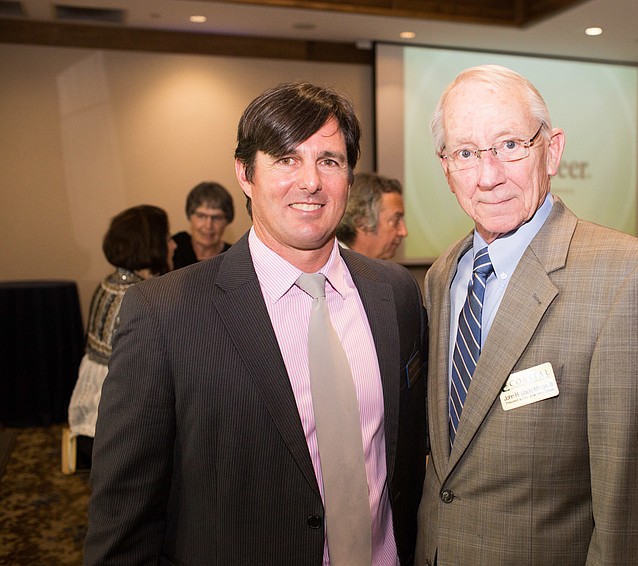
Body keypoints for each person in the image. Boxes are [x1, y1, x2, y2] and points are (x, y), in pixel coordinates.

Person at [84, 83, 428, 565]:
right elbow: (124, 524)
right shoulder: (162, 314)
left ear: (349, 178)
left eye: (329, 161)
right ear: (245, 174)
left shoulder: (396, 293)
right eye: (286, 159)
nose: (310, 181)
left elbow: (410, 459)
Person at [415, 65, 638, 565]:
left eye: (509, 145)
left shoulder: (628, 278)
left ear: (552, 150)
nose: (488, 175)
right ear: (446, 167)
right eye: (466, 153)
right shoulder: (442, 277)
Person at [62, 205, 174, 475]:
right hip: (119, 414)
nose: (172, 245)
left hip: (91, 405)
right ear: (151, 245)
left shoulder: (108, 283)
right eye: (167, 238)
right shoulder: (141, 297)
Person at [336, 172, 407, 259]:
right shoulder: (335, 268)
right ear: (361, 222)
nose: (403, 232)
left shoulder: (377, 270)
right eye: (396, 221)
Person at [171, 180, 234, 268]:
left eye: (216, 218)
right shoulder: (172, 249)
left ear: (227, 220)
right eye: (201, 216)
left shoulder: (234, 258)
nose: (208, 226)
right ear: (189, 215)